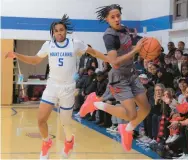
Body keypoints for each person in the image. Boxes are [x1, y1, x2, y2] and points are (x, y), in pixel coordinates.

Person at [5, 14, 146, 159]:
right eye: (56, 30)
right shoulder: (48, 45)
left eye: (61, 30)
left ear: (66, 31)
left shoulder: (75, 43)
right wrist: (17, 54)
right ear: (53, 32)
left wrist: (110, 60)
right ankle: (46, 143)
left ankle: (69, 141)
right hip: (52, 86)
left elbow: (93, 52)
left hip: (67, 89)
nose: (59, 32)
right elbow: (35, 60)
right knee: (41, 120)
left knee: (66, 124)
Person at [79, 4, 151, 151]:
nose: (117, 19)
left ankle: (127, 130)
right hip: (118, 76)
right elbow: (114, 62)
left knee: (146, 108)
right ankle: (95, 104)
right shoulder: (109, 36)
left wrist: (148, 46)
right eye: (113, 17)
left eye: (118, 15)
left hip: (131, 74)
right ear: (107, 19)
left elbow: (136, 44)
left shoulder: (126, 30)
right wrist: (136, 50)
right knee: (131, 114)